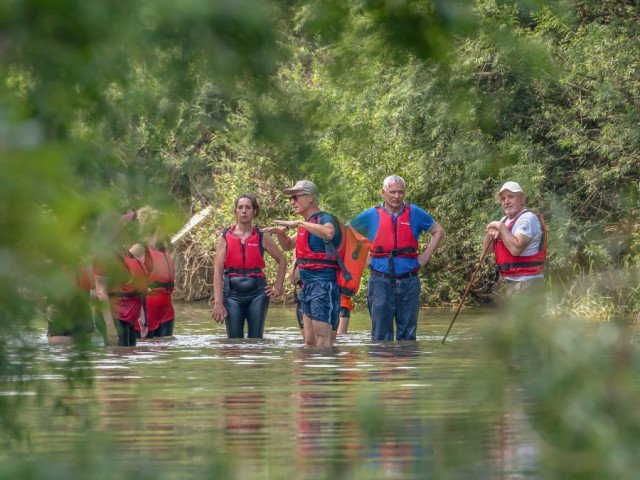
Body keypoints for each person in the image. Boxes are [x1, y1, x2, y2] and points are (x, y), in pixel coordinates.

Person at [350, 175, 444, 341]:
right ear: (383, 193)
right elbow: (347, 233)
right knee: (380, 336)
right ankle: (383, 365)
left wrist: (424, 258)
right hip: (380, 279)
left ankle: (404, 364)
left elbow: (438, 231)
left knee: (408, 336)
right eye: (392, 192)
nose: (396, 196)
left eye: (400, 192)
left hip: (408, 280)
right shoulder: (372, 214)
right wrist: (365, 260)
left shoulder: (414, 213)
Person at [265, 180, 342, 347]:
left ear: (310, 198)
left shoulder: (325, 218)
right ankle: (312, 372)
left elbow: (329, 232)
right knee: (309, 341)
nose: (292, 202)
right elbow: (287, 246)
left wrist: (299, 223)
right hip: (306, 285)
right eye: (291, 198)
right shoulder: (306, 226)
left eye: (295, 197)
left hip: (323, 284)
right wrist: (280, 233)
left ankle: (326, 373)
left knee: (322, 339)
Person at [212, 195, 286, 338]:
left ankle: (256, 359)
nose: (244, 211)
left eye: (248, 207)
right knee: (234, 340)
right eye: (240, 207)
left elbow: (282, 259)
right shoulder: (225, 236)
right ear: (235, 211)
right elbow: (217, 271)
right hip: (232, 294)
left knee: (256, 339)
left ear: (254, 212)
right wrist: (218, 302)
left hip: (258, 293)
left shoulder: (261, 236)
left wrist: (278, 287)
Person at [94, 211, 149, 347]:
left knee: (128, 357)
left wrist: (141, 315)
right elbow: (101, 291)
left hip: (129, 315)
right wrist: (110, 326)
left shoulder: (127, 254)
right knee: (118, 357)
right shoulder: (104, 256)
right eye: (124, 228)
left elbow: (136, 287)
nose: (128, 231)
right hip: (113, 315)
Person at [483, 181, 547, 296]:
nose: (506, 202)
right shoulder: (504, 220)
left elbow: (516, 249)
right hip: (511, 282)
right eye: (503, 199)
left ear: (522, 199)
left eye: (511, 197)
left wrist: (500, 227)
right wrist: (489, 234)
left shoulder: (528, 218)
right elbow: (487, 251)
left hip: (528, 283)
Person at [133, 206, 176, 338]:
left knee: (165, 352)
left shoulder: (165, 249)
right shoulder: (139, 249)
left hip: (166, 309)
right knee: (146, 352)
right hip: (146, 310)